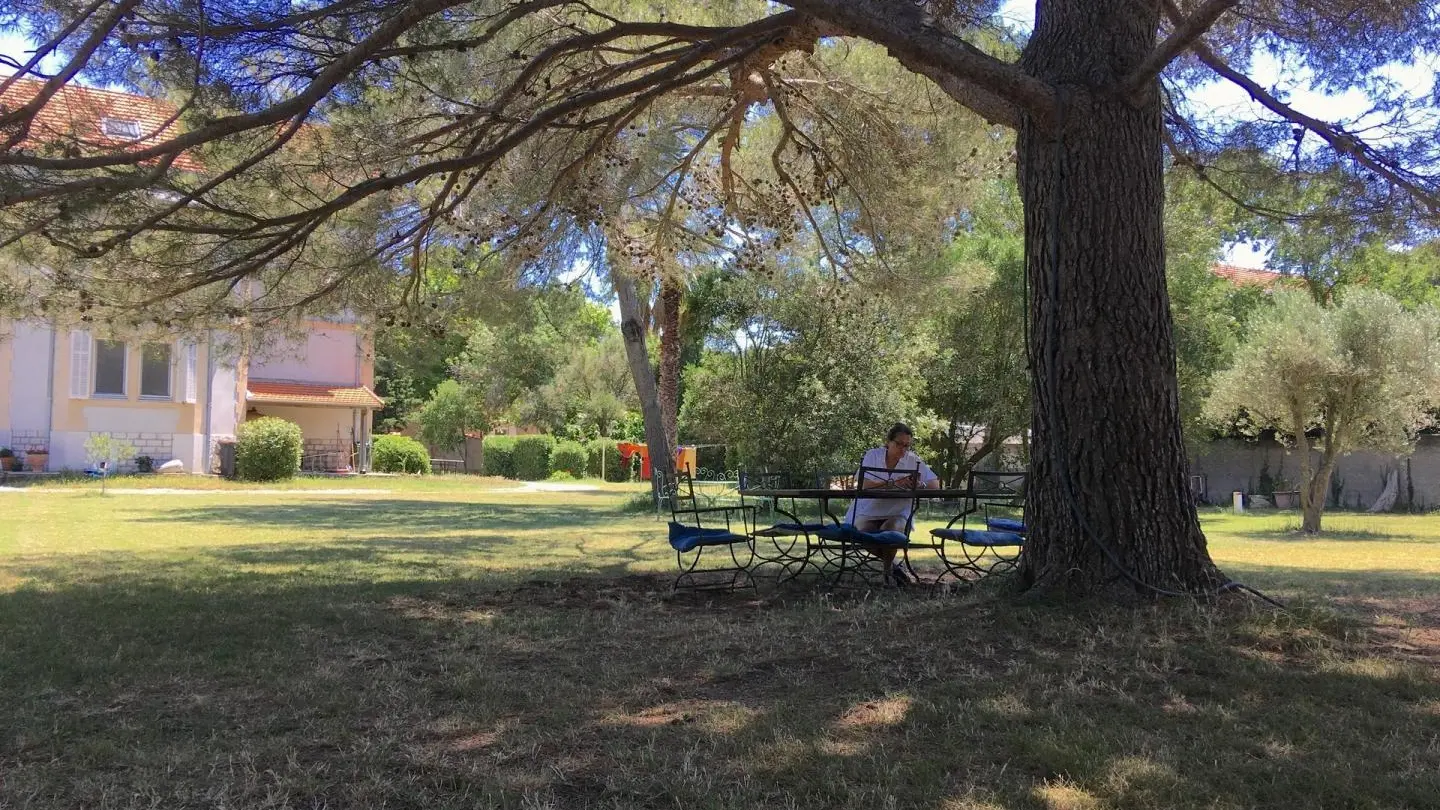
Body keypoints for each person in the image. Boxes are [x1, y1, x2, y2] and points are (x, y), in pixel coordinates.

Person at [844, 422, 940, 583]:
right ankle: (894, 567)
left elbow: (935, 484)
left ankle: (887, 574)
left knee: (892, 531)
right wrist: (893, 483)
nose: (903, 449)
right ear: (888, 442)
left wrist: (919, 484)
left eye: (907, 446)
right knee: (864, 536)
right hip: (867, 511)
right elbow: (862, 483)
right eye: (899, 444)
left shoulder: (913, 460)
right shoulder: (872, 456)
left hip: (897, 512)